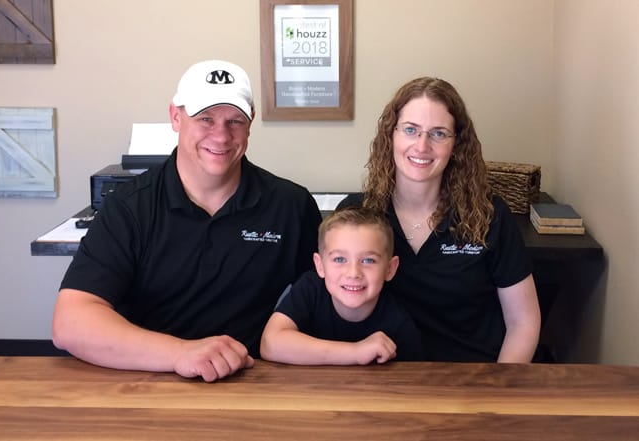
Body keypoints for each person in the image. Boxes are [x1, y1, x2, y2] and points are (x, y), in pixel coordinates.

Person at [52, 60, 322, 381]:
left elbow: (327, 299)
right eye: (205, 118)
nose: (221, 136)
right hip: (145, 378)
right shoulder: (129, 207)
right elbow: (70, 322)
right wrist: (181, 353)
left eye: (234, 120)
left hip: (251, 379)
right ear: (175, 117)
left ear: (250, 122)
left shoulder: (290, 205)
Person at [338, 77, 541, 363]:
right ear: (391, 136)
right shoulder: (358, 214)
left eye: (438, 134)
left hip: (475, 379)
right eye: (411, 130)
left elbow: (524, 323)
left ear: (457, 144)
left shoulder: (489, 215)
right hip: (385, 377)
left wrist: (501, 391)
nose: (422, 146)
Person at [260, 206, 425, 365]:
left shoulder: (398, 322)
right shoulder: (310, 290)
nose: (353, 273)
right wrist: (355, 352)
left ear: (390, 269)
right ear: (320, 265)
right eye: (339, 259)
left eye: (368, 260)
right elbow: (270, 343)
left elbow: (414, 381)